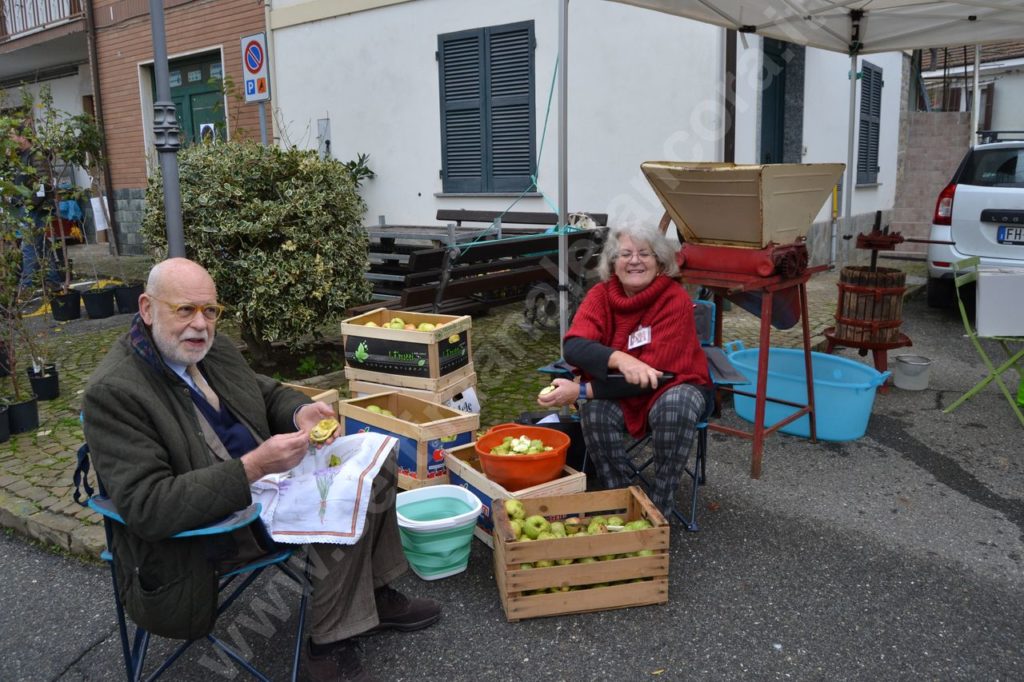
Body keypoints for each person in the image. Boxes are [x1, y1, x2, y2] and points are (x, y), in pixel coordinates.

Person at [83, 258, 438, 682]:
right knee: (341, 500)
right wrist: (252, 467)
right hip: (209, 530)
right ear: (146, 308)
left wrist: (300, 412)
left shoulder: (212, 351)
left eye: (210, 311)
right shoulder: (114, 392)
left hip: (265, 485)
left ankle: (371, 596)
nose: (200, 324)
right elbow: (149, 507)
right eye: (184, 310)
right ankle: (328, 646)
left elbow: (266, 394)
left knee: (377, 466)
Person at [537, 223, 712, 516]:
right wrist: (620, 358)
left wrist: (580, 389)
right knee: (595, 411)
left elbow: (655, 376)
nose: (634, 260)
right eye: (625, 254)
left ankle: (657, 508)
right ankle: (619, 500)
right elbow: (575, 346)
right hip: (618, 389)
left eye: (644, 253)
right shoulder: (600, 296)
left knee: (676, 407)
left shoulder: (674, 299)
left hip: (674, 386)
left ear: (659, 262)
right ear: (613, 263)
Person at [8, 121, 61, 294]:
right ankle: (53, 280)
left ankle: (27, 285)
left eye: (12, 135)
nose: (10, 138)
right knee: (40, 245)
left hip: (36, 208)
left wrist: (31, 205)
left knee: (29, 245)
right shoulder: (19, 156)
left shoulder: (36, 156)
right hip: (25, 207)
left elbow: (43, 184)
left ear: (23, 137)